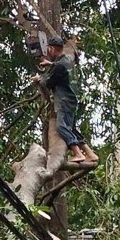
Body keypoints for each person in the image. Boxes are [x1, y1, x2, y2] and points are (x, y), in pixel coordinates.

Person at [33, 36, 99, 164]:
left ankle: (78, 153)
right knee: (71, 128)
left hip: (64, 101)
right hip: (71, 100)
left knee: (61, 127)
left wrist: (38, 79)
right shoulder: (67, 60)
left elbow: (49, 82)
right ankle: (90, 153)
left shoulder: (59, 66)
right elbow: (60, 68)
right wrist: (50, 64)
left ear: (52, 49)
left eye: (48, 50)